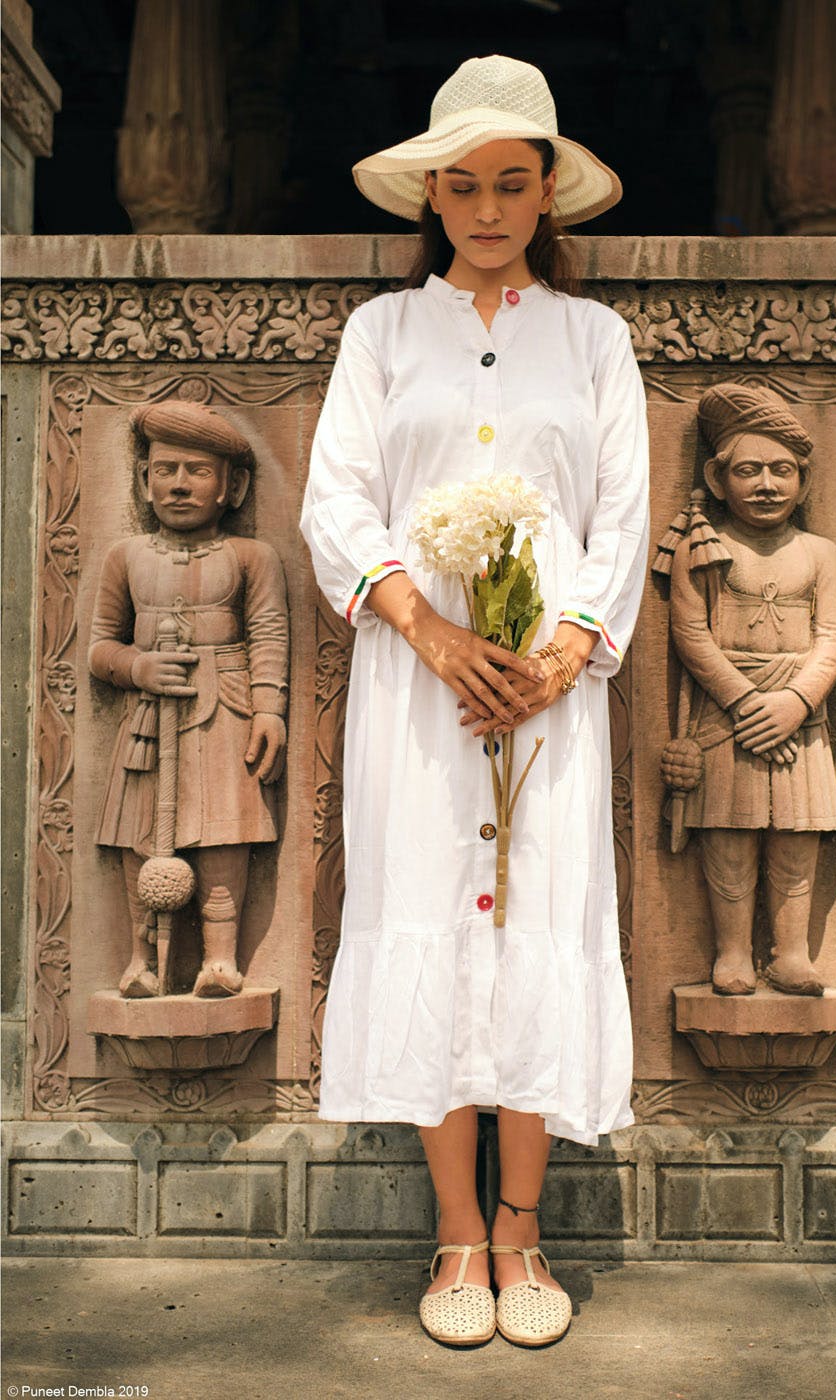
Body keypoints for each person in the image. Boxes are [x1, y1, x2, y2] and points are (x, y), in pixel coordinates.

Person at [300, 55, 649, 1348]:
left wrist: (557, 658)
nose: (489, 208)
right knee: (432, 919)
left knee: (538, 921)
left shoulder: (593, 340)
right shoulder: (383, 337)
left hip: (550, 697)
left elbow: (621, 514)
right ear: (432, 199)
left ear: (546, 191)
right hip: (418, 689)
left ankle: (523, 1234)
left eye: (513, 183)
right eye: (464, 186)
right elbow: (336, 502)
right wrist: (432, 634)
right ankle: (455, 1236)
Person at [89, 402, 289, 998]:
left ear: (234, 486)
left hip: (223, 712)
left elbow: (270, 633)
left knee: (224, 832)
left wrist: (269, 708)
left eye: (197, 471)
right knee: (141, 832)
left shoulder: (252, 557)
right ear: (143, 481)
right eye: (165, 469)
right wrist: (137, 666)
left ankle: (219, 960)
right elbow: (100, 647)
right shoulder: (125, 557)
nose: (179, 484)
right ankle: (142, 960)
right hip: (150, 718)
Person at [659, 383, 836, 997]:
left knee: (797, 833)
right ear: (717, 482)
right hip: (728, 717)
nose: (767, 484)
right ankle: (734, 951)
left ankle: (791, 953)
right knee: (730, 833)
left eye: (782, 470)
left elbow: (834, 635)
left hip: (799, 714)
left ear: (804, 482)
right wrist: (745, 703)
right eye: (749, 470)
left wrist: (794, 703)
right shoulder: (702, 546)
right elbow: (691, 633)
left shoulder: (820, 554)